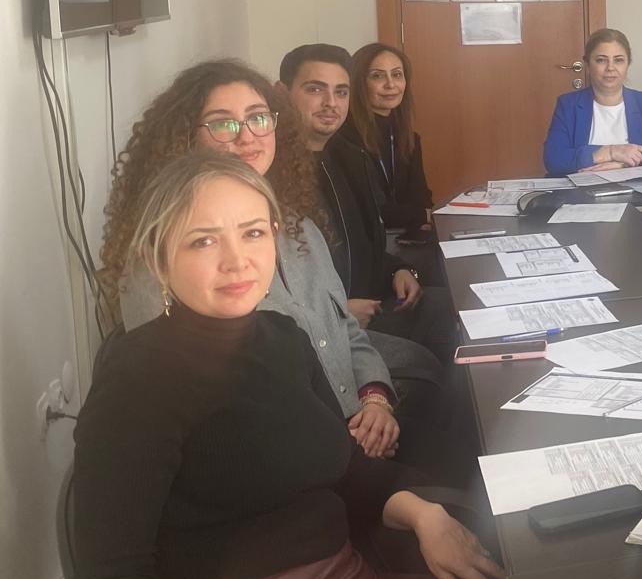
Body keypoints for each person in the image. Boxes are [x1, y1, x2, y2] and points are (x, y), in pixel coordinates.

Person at [74, 152, 509, 579]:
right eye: (203, 241)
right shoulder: (136, 377)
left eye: (253, 232)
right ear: (158, 258)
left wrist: (424, 514)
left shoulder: (283, 337)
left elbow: (344, 469)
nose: (236, 260)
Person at [101, 59, 442, 462]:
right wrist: (342, 450)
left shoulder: (299, 228)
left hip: (348, 432)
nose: (247, 136)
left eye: (258, 118)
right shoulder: (160, 258)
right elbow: (191, 410)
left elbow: (346, 330)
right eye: (223, 123)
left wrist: (375, 400)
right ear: (185, 138)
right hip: (278, 458)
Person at [281, 44, 460, 362]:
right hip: (329, 324)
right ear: (282, 93)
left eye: (340, 92)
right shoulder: (273, 173)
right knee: (424, 362)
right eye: (315, 89)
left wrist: (398, 269)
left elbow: (365, 243)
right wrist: (338, 310)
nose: (330, 103)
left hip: (372, 299)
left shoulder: (349, 160)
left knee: (456, 308)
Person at [543, 28, 642, 175]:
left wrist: (626, 163)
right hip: (584, 188)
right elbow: (553, 159)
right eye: (601, 60)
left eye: (618, 60)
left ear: (628, 64)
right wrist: (610, 152)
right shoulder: (568, 104)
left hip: (636, 188)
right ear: (588, 65)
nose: (610, 68)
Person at [344, 43, 434, 242]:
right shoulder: (345, 140)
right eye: (377, 76)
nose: (391, 84)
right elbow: (370, 210)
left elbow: (421, 197)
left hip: (408, 239)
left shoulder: (408, 137)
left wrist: (421, 216)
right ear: (359, 82)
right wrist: (420, 215)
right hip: (366, 243)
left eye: (397, 74)